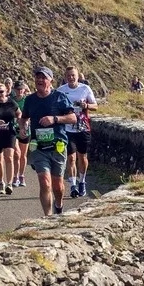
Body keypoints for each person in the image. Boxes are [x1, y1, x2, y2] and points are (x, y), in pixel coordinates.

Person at [19, 67, 76, 216]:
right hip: (39, 147)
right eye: (38, 77)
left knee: (57, 186)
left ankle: (59, 204)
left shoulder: (60, 97)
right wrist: (22, 128)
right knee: (45, 183)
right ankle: (48, 217)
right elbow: (24, 118)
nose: (40, 80)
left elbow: (73, 118)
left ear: (50, 81)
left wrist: (55, 119)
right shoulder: (30, 100)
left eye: (44, 78)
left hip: (57, 146)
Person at [57, 65, 97, 199]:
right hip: (67, 128)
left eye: (73, 75)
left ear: (78, 76)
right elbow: (55, 107)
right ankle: (73, 185)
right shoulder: (61, 90)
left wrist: (86, 106)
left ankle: (82, 181)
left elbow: (95, 106)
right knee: (71, 157)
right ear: (65, 77)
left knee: (82, 157)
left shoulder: (85, 89)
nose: (71, 78)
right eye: (68, 76)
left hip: (83, 127)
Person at [11, 81, 30, 188]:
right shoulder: (11, 101)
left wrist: (27, 121)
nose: (19, 91)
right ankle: (15, 176)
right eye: (17, 89)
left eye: (21, 89)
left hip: (26, 130)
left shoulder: (27, 100)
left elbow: (31, 113)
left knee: (23, 155)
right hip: (14, 129)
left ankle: (21, 175)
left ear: (24, 89)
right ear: (14, 90)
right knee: (16, 154)